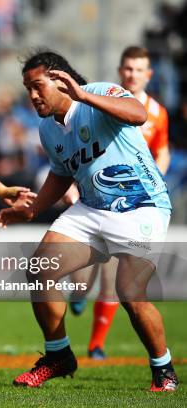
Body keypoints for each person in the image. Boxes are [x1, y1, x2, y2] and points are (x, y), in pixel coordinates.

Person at [0, 51, 179, 392]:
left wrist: (83, 96)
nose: (32, 95)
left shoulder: (102, 92)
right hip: (92, 208)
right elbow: (62, 172)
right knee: (41, 268)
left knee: (130, 291)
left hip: (142, 206)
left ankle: (163, 368)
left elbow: (138, 114)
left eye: (37, 86)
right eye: (27, 88)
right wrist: (33, 209)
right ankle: (58, 356)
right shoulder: (47, 129)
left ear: (62, 80)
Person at [69, 46, 173, 360]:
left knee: (114, 276)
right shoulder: (106, 102)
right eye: (128, 68)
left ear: (148, 74)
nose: (132, 74)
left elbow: (162, 151)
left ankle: (96, 344)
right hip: (95, 198)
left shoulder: (157, 113)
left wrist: (156, 181)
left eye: (138, 69)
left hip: (132, 203)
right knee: (82, 270)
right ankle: (77, 292)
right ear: (120, 70)